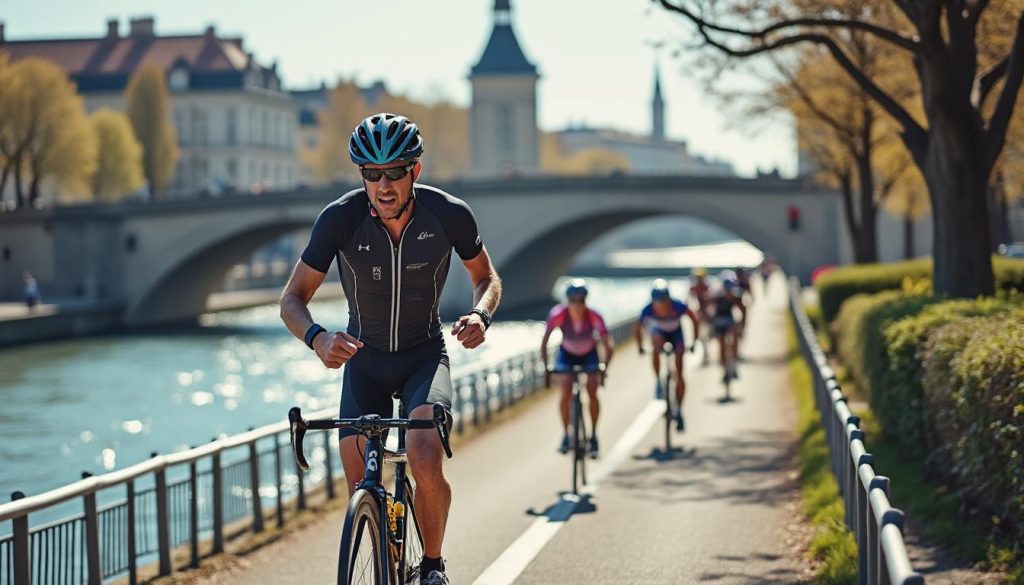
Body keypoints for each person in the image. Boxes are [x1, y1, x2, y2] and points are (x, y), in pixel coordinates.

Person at [279, 113, 501, 585]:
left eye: (394, 172)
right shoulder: (340, 219)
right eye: (371, 174)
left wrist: (481, 314)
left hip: (424, 354)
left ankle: (434, 565)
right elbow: (291, 299)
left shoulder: (448, 214)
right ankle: (378, 544)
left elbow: (486, 277)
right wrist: (317, 338)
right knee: (359, 472)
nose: (383, 185)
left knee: (422, 454)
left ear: (414, 171)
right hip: (364, 361)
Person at [540, 279, 614, 458]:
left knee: (592, 391)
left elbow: (608, 345)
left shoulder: (594, 316)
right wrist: (547, 369)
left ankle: (594, 435)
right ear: (567, 300)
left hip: (589, 354)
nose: (577, 305)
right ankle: (566, 434)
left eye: (581, 300)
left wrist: (603, 368)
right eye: (573, 300)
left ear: (585, 300)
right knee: (565, 391)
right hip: (567, 354)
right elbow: (545, 341)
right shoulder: (558, 314)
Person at [634, 279, 700, 431]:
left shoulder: (678, 306)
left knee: (679, 372)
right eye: (657, 302)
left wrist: (694, 341)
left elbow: (694, 318)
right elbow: (638, 328)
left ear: (669, 298)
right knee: (655, 343)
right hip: (659, 333)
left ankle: (679, 410)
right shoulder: (648, 309)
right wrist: (640, 346)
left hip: (676, 334)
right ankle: (658, 381)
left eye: (663, 301)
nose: (661, 305)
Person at [711, 272, 747, 383]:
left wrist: (742, 325)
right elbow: (709, 309)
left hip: (729, 319)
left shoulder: (737, 296)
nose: (728, 293)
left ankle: (734, 363)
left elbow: (743, 310)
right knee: (721, 345)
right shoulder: (717, 296)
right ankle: (724, 369)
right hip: (718, 320)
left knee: (735, 338)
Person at [688, 268, 713, 365]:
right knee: (700, 335)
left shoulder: (707, 287)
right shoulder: (692, 288)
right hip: (698, 315)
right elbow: (690, 301)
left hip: (707, 315)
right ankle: (704, 352)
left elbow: (711, 301)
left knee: (708, 334)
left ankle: (706, 352)